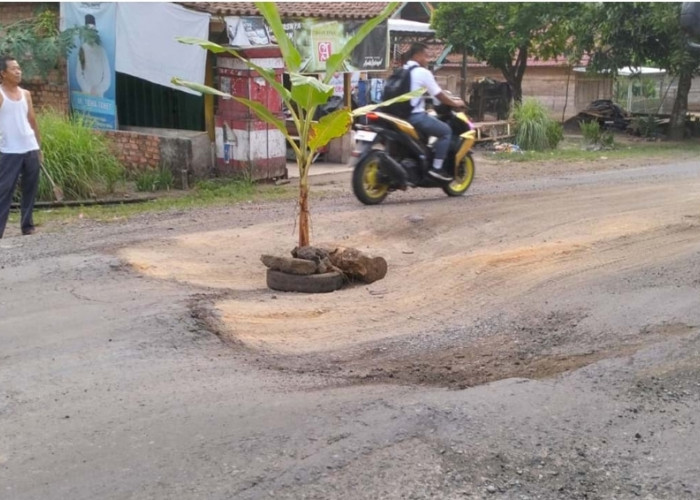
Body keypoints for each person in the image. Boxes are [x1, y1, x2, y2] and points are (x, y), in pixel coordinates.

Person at [404, 43, 466, 181]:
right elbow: (438, 94)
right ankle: (437, 168)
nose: (428, 60)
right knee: (446, 131)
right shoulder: (423, 73)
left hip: (398, 116)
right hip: (415, 117)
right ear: (417, 56)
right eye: (425, 56)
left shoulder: (402, 70)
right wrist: (455, 103)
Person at [0, 55, 42, 238]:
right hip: (9, 150)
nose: (18, 72)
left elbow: (32, 120)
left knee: (30, 188)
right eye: (13, 69)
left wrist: (39, 147)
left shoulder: (26, 94)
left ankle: (27, 225)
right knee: (4, 190)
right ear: (3, 73)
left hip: (30, 147)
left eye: (19, 68)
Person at [75, 15, 111, 97]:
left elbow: (107, 76)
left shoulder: (101, 50)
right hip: (86, 93)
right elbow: (79, 73)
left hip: (100, 95)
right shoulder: (82, 49)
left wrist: (98, 89)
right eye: (89, 32)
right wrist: (88, 89)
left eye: (93, 32)